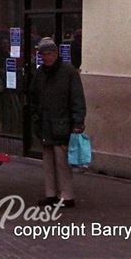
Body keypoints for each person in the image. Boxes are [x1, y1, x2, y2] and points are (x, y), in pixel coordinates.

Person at [29, 37, 86, 208]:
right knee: (48, 161)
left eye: (49, 53)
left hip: (62, 123)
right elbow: (33, 96)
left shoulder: (68, 72)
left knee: (62, 162)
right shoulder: (41, 73)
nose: (47, 57)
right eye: (44, 54)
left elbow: (77, 98)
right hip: (46, 123)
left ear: (56, 53)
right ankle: (51, 193)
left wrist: (78, 122)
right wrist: (36, 117)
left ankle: (66, 195)